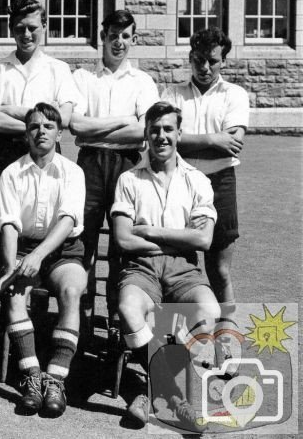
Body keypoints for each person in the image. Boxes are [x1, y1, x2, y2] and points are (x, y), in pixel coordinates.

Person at [112, 102, 220, 430]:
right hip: (141, 266)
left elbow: (203, 241)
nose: (162, 136)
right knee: (130, 308)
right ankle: (172, 395)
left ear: (179, 134)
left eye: (168, 129)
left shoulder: (197, 180)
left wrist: (151, 232)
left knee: (209, 311)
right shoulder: (129, 179)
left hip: (183, 268)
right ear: (146, 135)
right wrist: (177, 238)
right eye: (155, 130)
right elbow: (124, 240)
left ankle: (149, 391)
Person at [160, 27, 248, 359]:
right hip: (179, 184)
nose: (205, 68)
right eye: (198, 60)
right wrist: (213, 140)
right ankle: (176, 344)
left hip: (220, 183)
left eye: (212, 61)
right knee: (176, 266)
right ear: (190, 58)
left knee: (219, 269)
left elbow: (233, 143)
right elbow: (164, 141)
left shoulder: (235, 95)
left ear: (223, 60)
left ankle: (227, 342)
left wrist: (185, 138)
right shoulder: (172, 93)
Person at [0, 103, 87, 418]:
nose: (41, 132)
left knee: (72, 290)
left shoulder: (73, 171)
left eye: (48, 127)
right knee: (15, 293)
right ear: (26, 134)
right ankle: (32, 377)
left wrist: (37, 256)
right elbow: (8, 224)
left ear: (59, 133)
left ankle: (56, 379)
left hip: (63, 249)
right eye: (34, 126)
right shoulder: (11, 172)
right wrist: (10, 266)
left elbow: (66, 221)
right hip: (21, 249)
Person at [71, 9, 160, 323]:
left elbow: (143, 130)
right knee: (84, 240)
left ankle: (115, 317)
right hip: (90, 163)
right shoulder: (83, 77)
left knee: (123, 244)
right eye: (113, 35)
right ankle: (81, 315)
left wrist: (103, 126)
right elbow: (76, 125)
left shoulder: (143, 81)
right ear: (102, 37)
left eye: (125, 36)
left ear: (133, 39)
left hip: (128, 164)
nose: (118, 42)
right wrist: (124, 119)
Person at [0, 0, 82, 264]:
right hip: (4, 153)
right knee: (6, 228)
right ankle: (6, 295)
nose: (26, 34)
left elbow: (65, 118)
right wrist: (38, 123)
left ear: (45, 26)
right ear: (11, 29)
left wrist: (12, 109)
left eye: (33, 27)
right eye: (19, 28)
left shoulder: (58, 69)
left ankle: (38, 295)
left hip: (47, 155)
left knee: (46, 219)